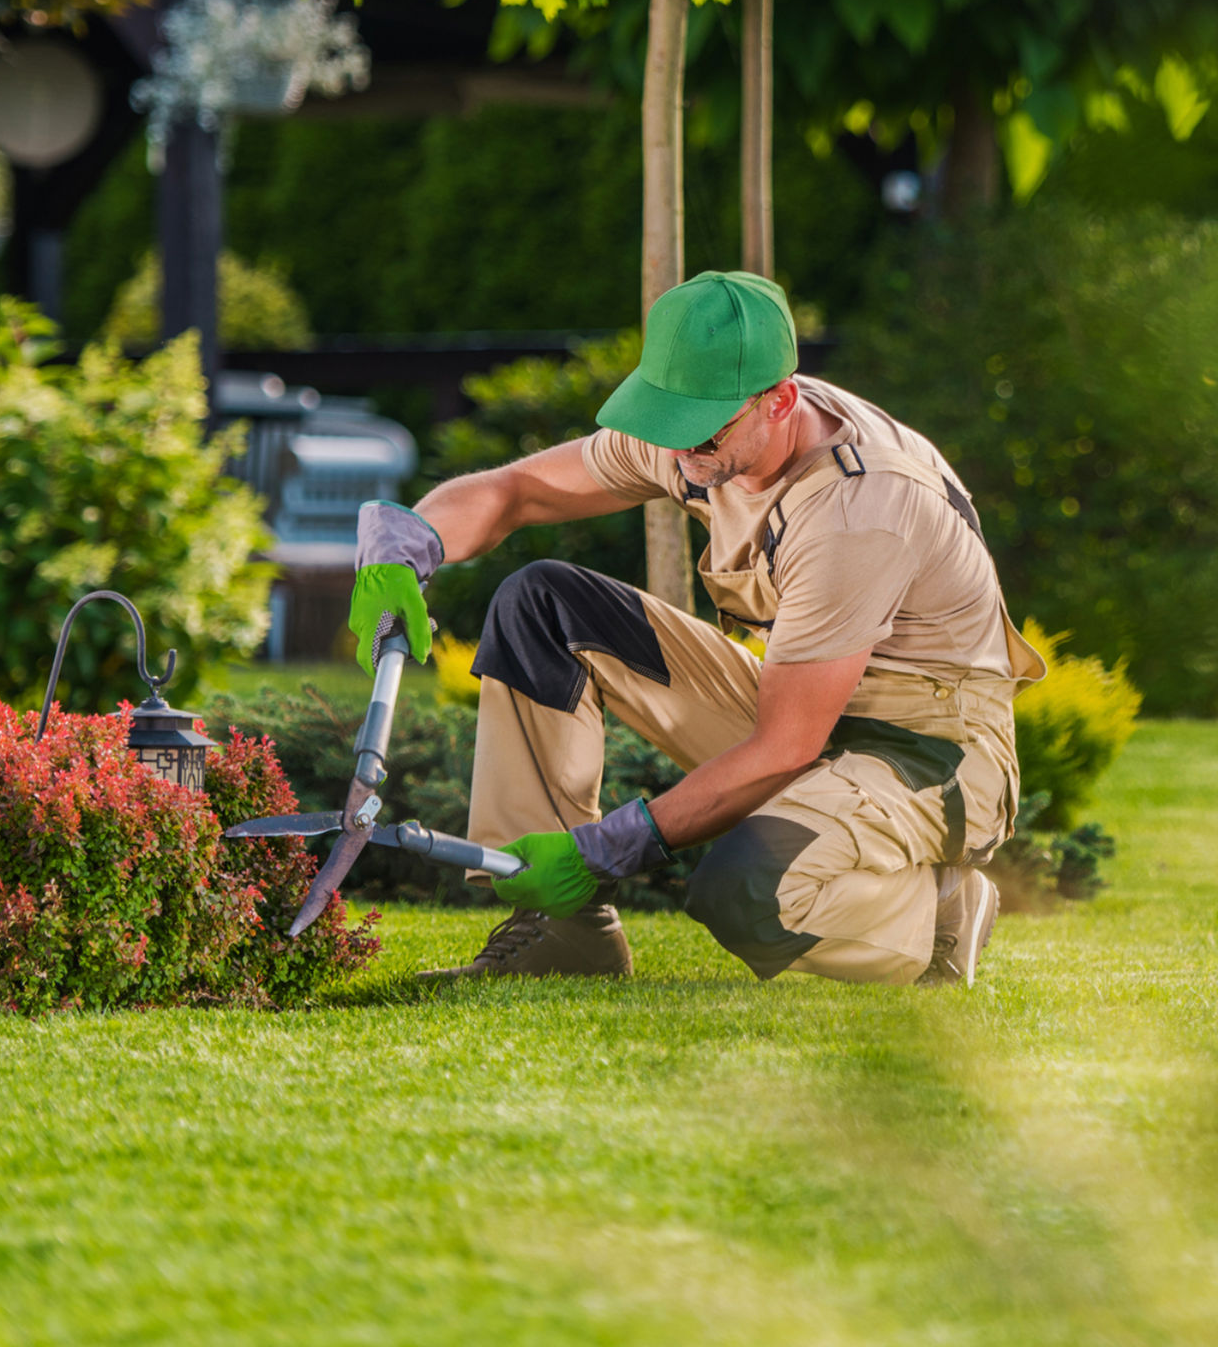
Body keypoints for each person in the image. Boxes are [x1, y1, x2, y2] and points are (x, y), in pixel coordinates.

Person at [348, 269, 1045, 988]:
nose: (681, 450)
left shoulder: (857, 508)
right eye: (667, 419)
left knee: (746, 891)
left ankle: (938, 915)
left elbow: (784, 747)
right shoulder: (700, 430)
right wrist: (412, 541)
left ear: (780, 403)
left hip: (928, 749)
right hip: (805, 699)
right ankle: (563, 935)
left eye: (702, 429)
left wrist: (600, 849)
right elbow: (517, 490)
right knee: (542, 606)